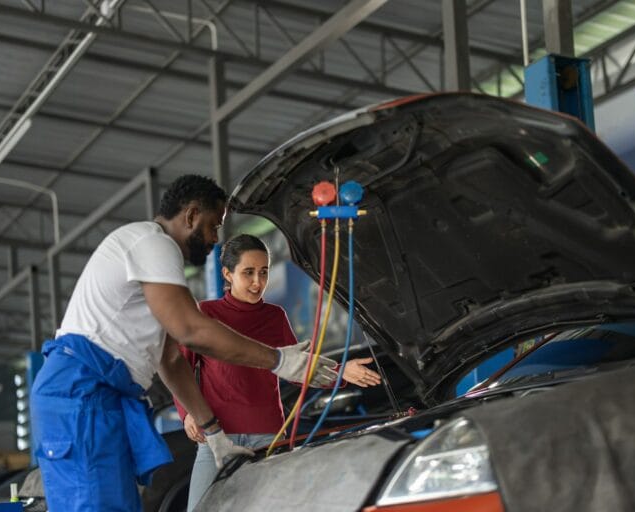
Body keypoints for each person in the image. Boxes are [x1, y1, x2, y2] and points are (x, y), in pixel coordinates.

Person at [29, 175, 339, 512]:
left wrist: (212, 429)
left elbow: (172, 360)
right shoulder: (153, 243)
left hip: (95, 394)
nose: (214, 239)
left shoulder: (154, 266)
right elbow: (192, 331)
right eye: (212, 226)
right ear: (191, 215)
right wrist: (278, 360)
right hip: (82, 391)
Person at [174, 234, 382, 511]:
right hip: (216, 435)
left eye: (263, 272)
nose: (258, 282)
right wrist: (187, 413)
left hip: (269, 434)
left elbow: (297, 366)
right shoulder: (205, 314)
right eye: (248, 273)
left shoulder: (275, 316)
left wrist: (341, 371)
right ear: (227, 273)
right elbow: (180, 367)